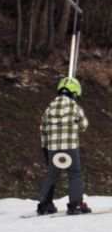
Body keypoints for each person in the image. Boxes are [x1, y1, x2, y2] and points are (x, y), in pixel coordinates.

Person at [36, 76, 91, 216]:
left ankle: (44, 204)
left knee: (52, 175)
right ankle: (75, 205)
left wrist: (45, 148)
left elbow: (43, 129)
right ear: (75, 92)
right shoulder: (74, 107)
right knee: (74, 174)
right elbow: (84, 125)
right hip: (70, 146)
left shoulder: (49, 108)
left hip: (53, 148)